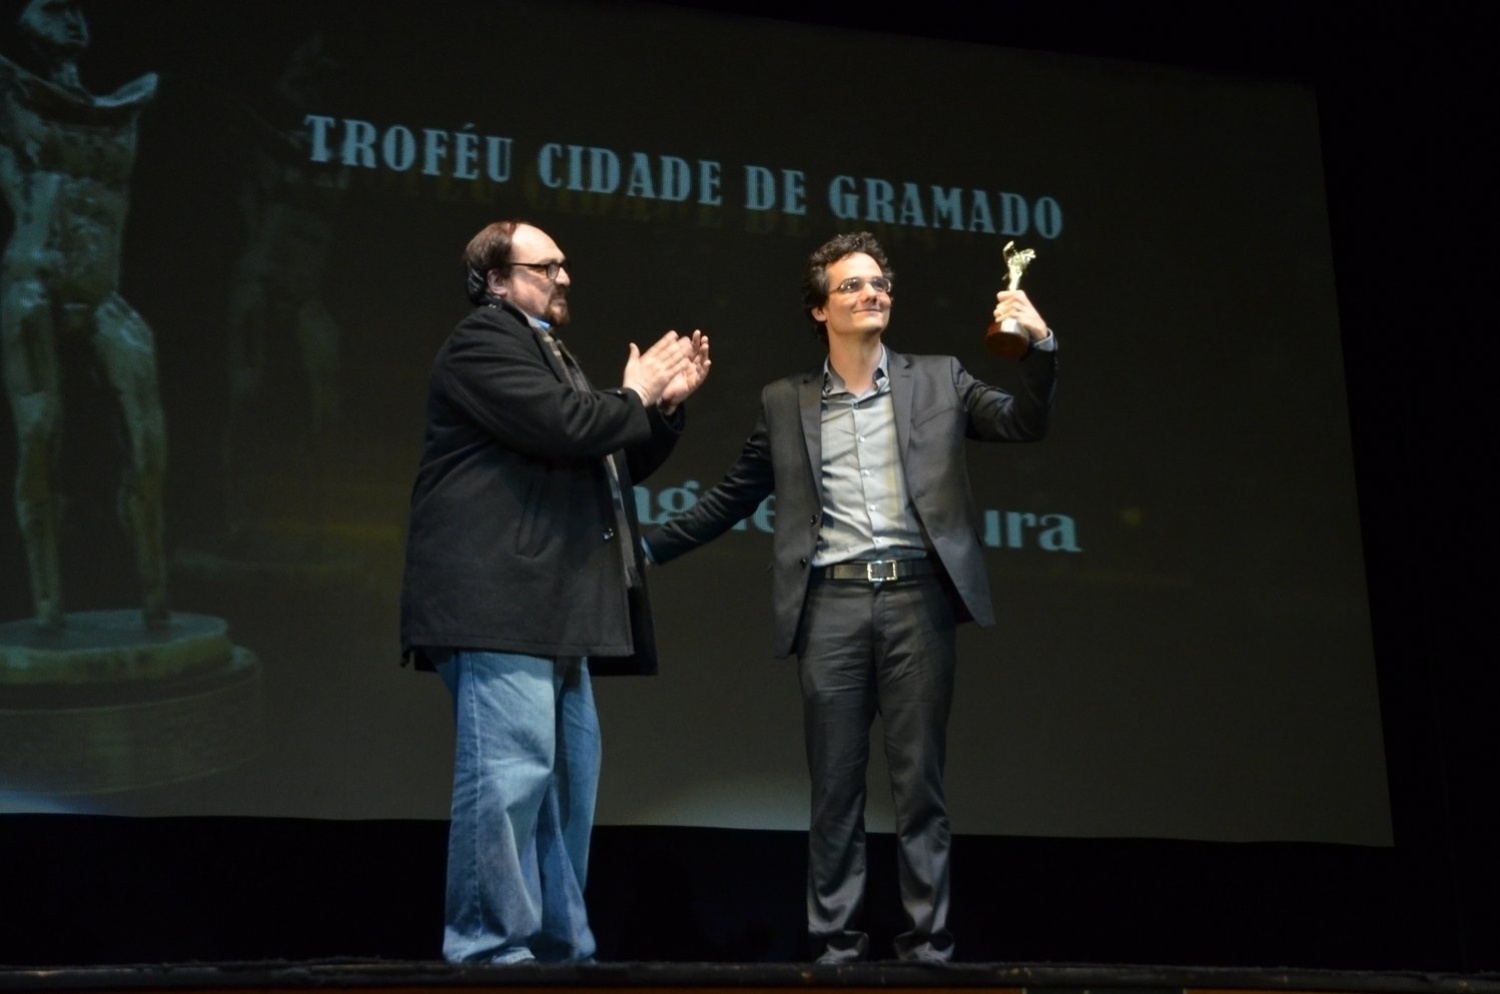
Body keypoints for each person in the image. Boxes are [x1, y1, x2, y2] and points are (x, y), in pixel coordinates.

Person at [644, 231, 1056, 963]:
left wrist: (1041, 351)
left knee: (920, 786)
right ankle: (837, 951)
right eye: (852, 286)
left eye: (880, 284)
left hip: (916, 603)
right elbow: (729, 500)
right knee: (835, 792)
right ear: (818, 310)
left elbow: (1024, 423)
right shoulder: (786, 402)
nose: (872, 294)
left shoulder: (940, 379)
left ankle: (928, 948)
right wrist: (643, 549)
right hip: (830, 606)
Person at [399, 219, 710, 964]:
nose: (564, 276)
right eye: (545, 267)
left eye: (565, 265)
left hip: (554, 608)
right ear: (496, 282)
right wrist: (631, 391)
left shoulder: (549, 350)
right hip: (499, 605)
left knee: (564, 790)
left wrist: (658, 411)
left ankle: (557, 951)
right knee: (508, 781)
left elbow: (606, 461)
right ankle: (488, 951)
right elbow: (568, 424)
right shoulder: (485, 341)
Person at [1, 0, 167, 629]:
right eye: (52, 8)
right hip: (33, 282)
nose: (69, 19)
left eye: (76, 10)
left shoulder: (122, 107)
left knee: (150, 445)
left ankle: (155, 594)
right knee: (41, 433)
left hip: (100, 290)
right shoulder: (12, 96)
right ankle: (48, 604)